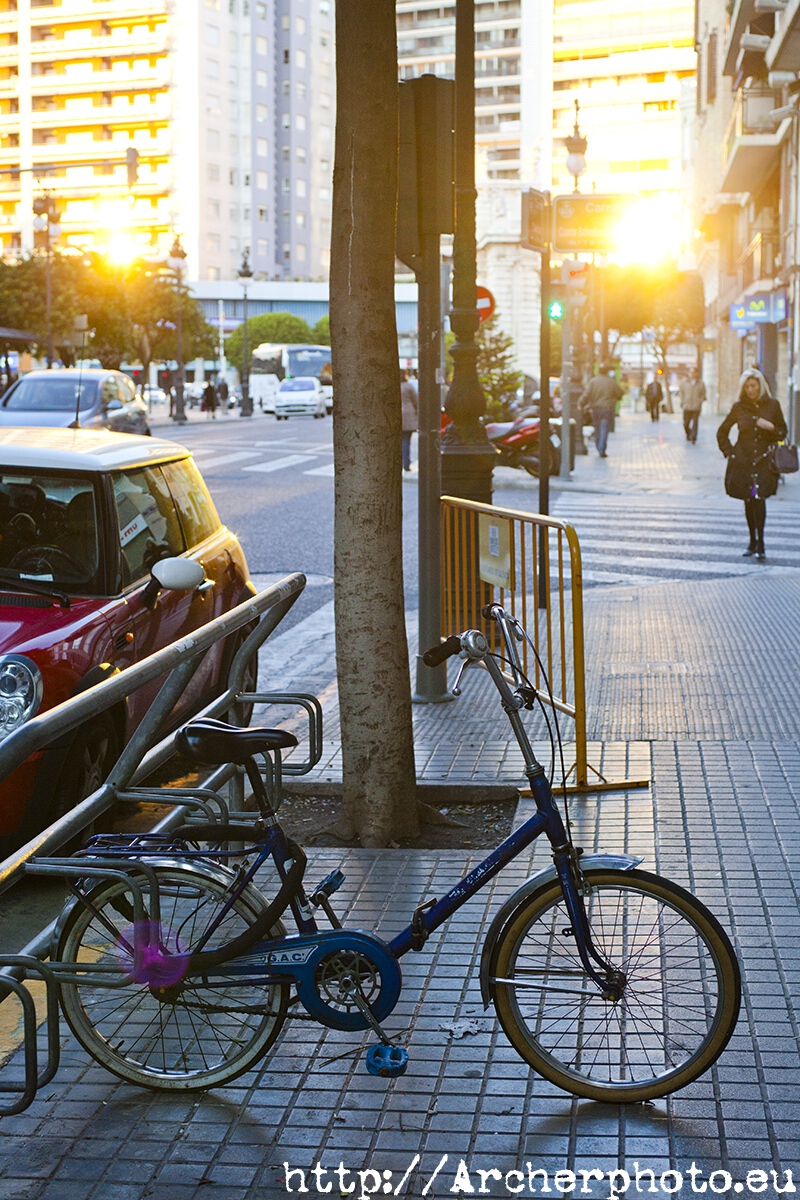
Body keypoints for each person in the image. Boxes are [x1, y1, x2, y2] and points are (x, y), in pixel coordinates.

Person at [717, 368, 786, 561]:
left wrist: (771, 427)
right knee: (749, 500)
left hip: (763, 462)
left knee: (759, 498)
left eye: (753, 386)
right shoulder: (739, 407)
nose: (750, 390)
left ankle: (761, 543)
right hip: (744, 461)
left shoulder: (772, 405)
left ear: (760, 386)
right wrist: (730, 453)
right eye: (747, 387)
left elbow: (783, 433)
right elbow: (722, 432)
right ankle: (752, 540)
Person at [579, 364, 622, 458]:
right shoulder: (611, 382)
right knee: (604, 428)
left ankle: (598, 446)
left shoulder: (593, 381)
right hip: (607, 408)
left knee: (597, 428)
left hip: (595, 408)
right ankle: (601, 448)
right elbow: (619, 393)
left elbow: (587, 394)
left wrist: (580, 403)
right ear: (607, 372)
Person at [679, 366, 706, 443]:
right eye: (690, 372)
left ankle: (694, 437)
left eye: (694, 372)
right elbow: (681, 392)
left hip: (696, 407)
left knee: (695, 423)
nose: (692, 374)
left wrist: (699, 401)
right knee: (686, 423)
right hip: (687, 406)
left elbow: (703, 394)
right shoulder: (684, 382)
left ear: (696, 373)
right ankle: (689, 433)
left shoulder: (700, 383)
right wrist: (683, 401)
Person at [400, 369, 418, 472]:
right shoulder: (408, 386)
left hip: (398, 415)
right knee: (406, 440)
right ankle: (406, 464)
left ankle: (401, 463)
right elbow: (416, 400)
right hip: (409, 416)